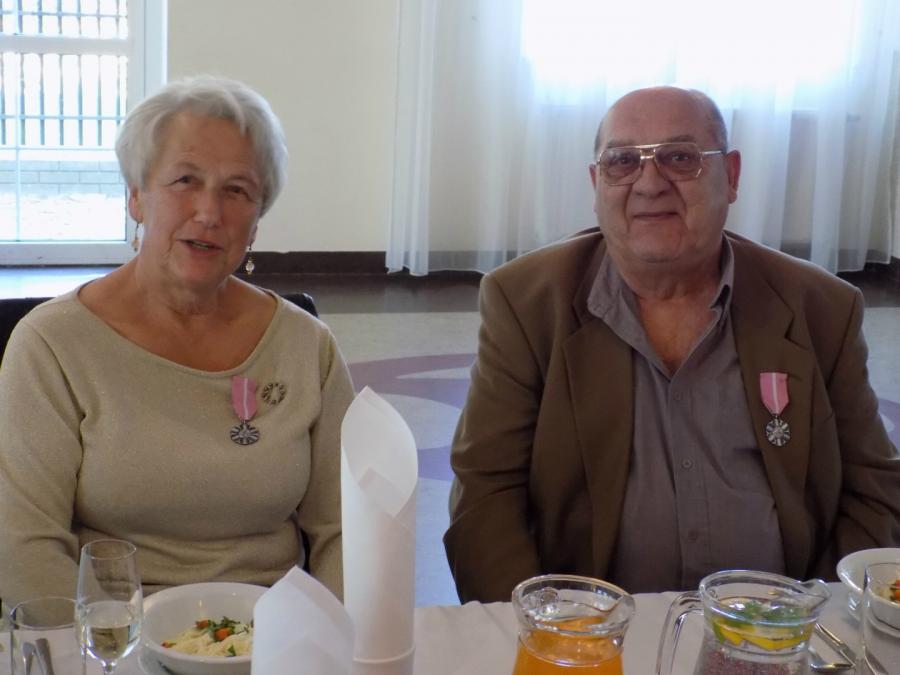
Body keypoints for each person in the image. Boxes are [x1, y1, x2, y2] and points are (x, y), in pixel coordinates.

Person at [444, 86, 900, 602]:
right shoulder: (527, 303)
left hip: (781, 627)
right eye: (622, 161)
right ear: (596, 184)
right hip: (589, 628)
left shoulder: (820, 308)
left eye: (680, 158)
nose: (649, 183)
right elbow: (486, 494)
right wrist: (548, 631)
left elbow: (874, 489)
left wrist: (818, 619)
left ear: (731, 176)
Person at [0, 76, 354, 606]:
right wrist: (103, 645)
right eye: (185, 180)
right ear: (136, 196)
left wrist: (327, 635)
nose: (209, 213)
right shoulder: (53, 345)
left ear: (257, 221)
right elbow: (24, 546)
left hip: (275, 632)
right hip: (113, 633)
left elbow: (348, 528)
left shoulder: (307, 346)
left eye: (238, 190)